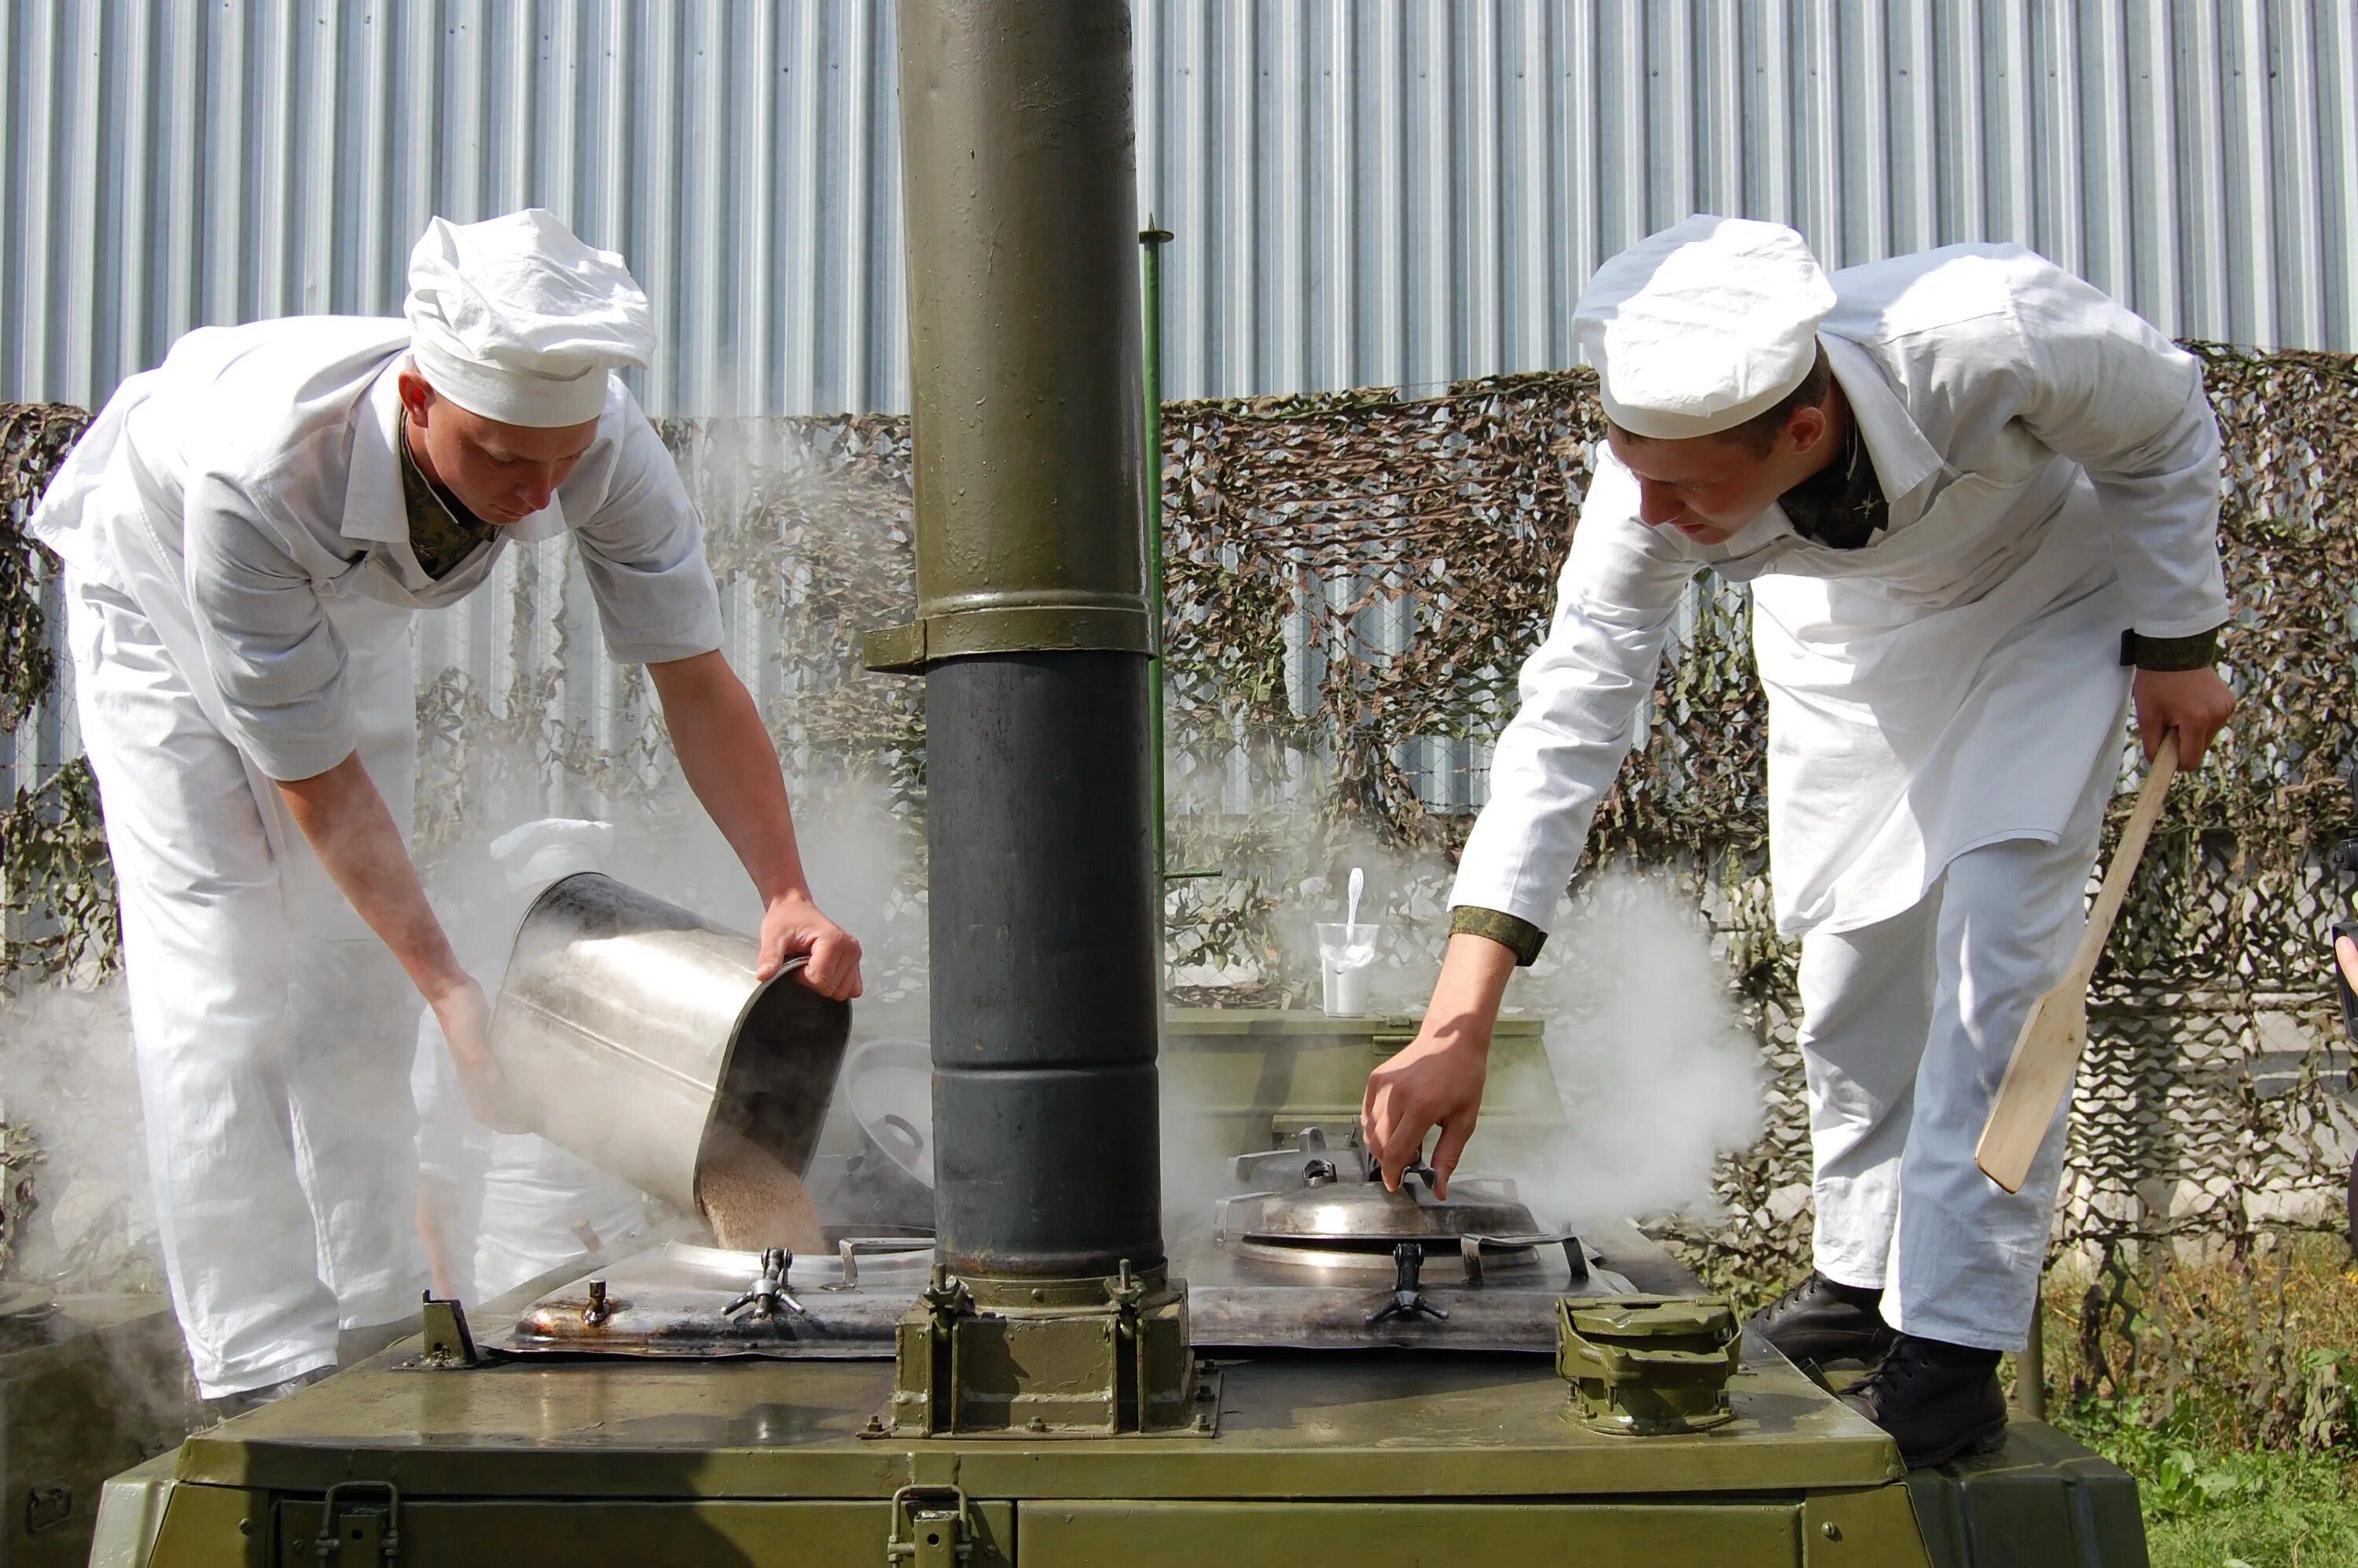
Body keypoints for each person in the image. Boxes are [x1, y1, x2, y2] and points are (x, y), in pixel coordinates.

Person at [1361, 216, 2236, 1465]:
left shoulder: (1991, 328)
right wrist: (1459, 1019)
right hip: (1846, 643)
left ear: (1806, 429)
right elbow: (1569, 717)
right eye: (1630, 465)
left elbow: (2162, 425)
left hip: (2046, 604)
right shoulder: (1651, 484)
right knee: (1847, 969)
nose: (1650, 510)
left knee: (2001, 962)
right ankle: (1858, 1274)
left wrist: (2180, 640)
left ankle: (1949, 1352)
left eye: (1687, 488)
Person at [31, 209, 863, 1418]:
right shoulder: (255, 475)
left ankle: (375, 1308)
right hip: (155, 571)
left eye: (563, 460)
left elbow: (695, 675)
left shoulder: (598, 446)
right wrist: (452, 986)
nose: (537, 498)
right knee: (223, 968)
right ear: (419, 398)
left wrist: (784, 887)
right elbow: (316, 783)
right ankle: (261, 1360)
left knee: (349, 957)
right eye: (504, 458)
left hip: (337, 608)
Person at [411, 817, 652, 1305]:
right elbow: (432, 1165)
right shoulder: (462, 1009)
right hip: (504, 1270)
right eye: (548, 911)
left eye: (583, 912)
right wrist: (445, 1292)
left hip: (626, 1259)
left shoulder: (640, 1004)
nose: (566, 929)